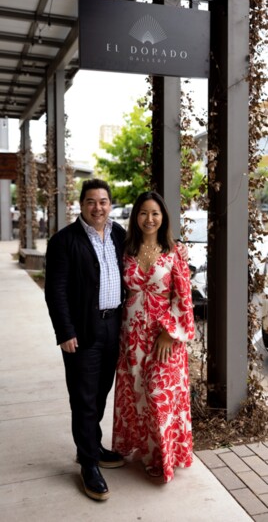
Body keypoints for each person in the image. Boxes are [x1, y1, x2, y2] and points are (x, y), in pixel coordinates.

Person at [45, 178, 126, 502]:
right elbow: (56, 291)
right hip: (83, 331)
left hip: (113, 328)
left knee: (101, 391)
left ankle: (90, 446)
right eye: (91, 201)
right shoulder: (64, 241)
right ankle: (89, 464)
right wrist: (65, 332)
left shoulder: (119, 234)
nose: (98, 207)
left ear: (110, 204)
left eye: (103, 201)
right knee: (84, 397)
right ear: (81, 205)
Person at [112, 191, 195, 482]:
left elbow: (183, 299)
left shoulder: (173, 252)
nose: (150, 219)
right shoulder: (125, 250)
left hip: (164, 338)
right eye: (144, 213)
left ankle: (165, 460)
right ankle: (146, 452)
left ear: (164, 218)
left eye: (155, 213)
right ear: (136, 217)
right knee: (139, 395)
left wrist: (170, 335)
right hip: (132, 336)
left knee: (160, 395)